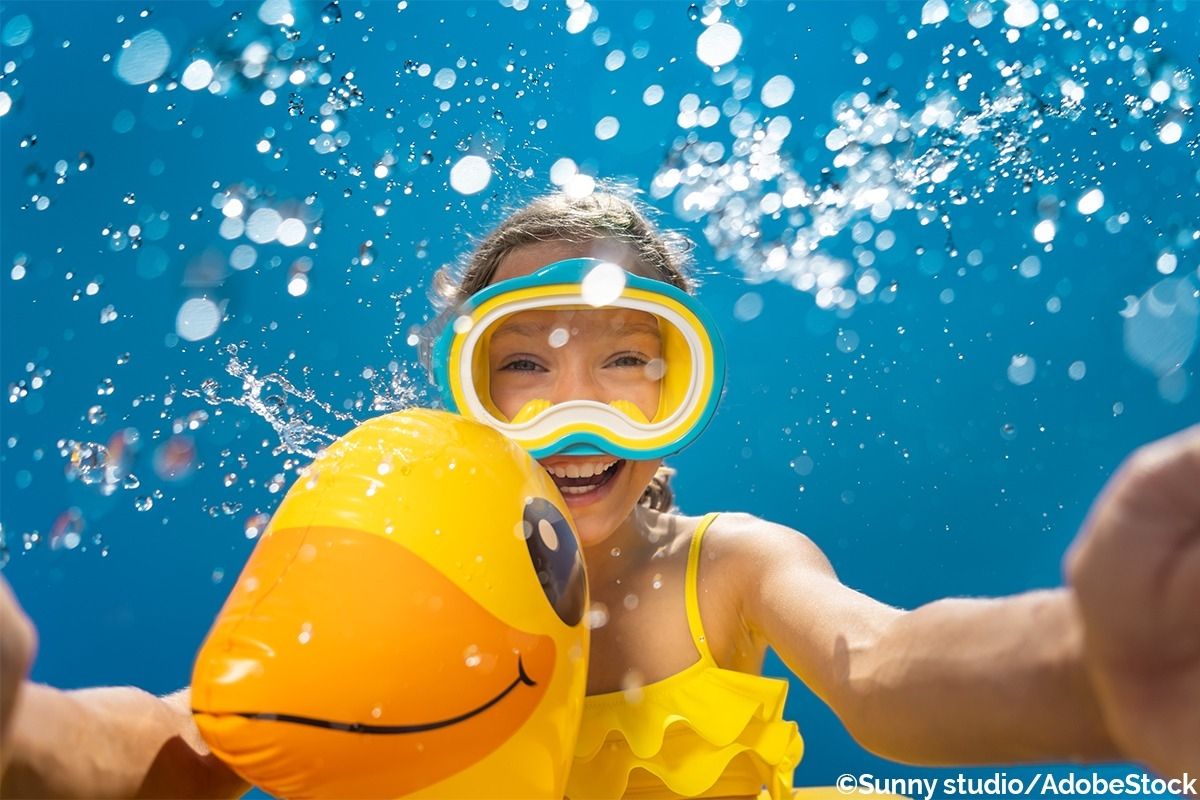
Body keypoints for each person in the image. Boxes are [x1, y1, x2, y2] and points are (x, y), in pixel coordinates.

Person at [2, 189, 1197, 798]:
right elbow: (191, 734)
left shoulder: (725, 567)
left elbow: (881, 664)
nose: (576, 414)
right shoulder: (414, 567)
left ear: (679, 393)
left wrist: (1083, 668)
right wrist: (23, 735)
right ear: (468, 396)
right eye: (523, 364)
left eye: (627, 360)